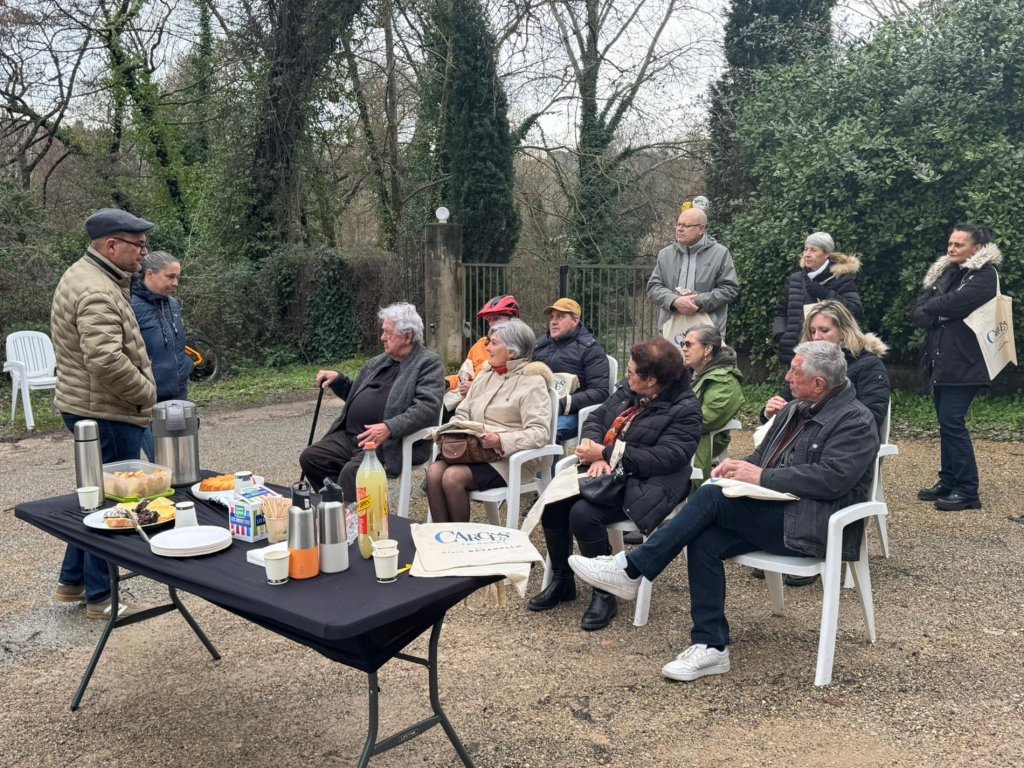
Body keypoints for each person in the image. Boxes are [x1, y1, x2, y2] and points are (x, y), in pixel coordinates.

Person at [568, 342, 878, 682]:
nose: (787, 377)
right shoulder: (794, 409)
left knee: (711, 497)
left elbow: (832, 479)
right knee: (705, 535)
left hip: (816, 527)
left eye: (795, 372)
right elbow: (761, 460)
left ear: (819, 384)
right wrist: (738, 468)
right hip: (778, 513)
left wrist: (760, 477)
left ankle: (633, 569)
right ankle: (711, 645)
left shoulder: (856, 421)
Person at [528, 336, 701, 630]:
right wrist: (595, 451)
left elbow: (667, 458)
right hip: (610, 474)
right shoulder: (629, 390)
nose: (626, 375)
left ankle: (604, 592)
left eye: (632, 372)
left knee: (583, 513)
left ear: (652, 380)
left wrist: (609, 454)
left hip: (650, 485)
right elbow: (596, 418)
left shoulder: (685, 408)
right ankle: (562, 580)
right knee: (554, 504)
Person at [50, 207, 158, 620]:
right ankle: (102, 597)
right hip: (107, 411)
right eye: (138, 245)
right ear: (112, 245)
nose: (144, 254)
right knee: (113, 502)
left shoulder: (86, 274)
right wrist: (145, 394)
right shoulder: (97, 289)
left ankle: (72, 581)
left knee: (94, 493)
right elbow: (106, 360)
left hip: (87, 405)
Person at [299, 303, 444, 501]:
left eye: (388, 333)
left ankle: (354, 515)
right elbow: (357, 394)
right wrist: (339, 380)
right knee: (312, 458)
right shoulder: (378, 362)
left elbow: (427, 407)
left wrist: (389, 427)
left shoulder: (427, 363)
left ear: (407, 336)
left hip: (388, 443)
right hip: (352, 436)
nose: (382, 337)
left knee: (352, 473)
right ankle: (341, 507)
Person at [425, 319, 553, 523]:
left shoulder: (533, 382)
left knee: (452, 477)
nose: (488, 348)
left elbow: (540, 433)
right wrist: (452, 430)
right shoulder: (484, 377)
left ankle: (459, 539)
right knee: (433, 473)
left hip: (510, 460)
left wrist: (500, 441)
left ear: (511, 352)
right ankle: (442, 537)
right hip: (474, 452)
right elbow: (462, 413)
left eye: (494, 343)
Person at [912, 222, 1001, 511]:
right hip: (941, 360)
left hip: (966, 362)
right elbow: (919, 311)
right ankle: (949, 480)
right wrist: (940, 312)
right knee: (946, 424)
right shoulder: (947, 272)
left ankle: (967, 491)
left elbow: (956, 302)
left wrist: (938, 308)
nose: (951, 248)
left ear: (977, 248)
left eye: (958, 244)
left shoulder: (985, 276)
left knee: (952, 422)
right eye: (950, 243)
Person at [762, 300, 890, 434]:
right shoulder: (808, 362)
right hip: (801, 436)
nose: (817, 337)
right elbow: (785, 399)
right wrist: (769, 413)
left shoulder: (869, 365)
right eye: (812, 331)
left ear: (844, 331)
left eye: (824, 330)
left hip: (843, 440)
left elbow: (871, 418)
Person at [131, 250, 194, 461]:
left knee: (183, 462)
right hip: (148, 403)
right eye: (170, 276)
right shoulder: (130, 306)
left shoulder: (173, 304)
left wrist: (186, 366)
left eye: (177, 277)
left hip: (178, 398)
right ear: (150, 274)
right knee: (163, 463)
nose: (175, 283)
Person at [647, 206, 740, 338]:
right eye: (678, 224)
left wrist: (697, 301)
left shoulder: (720, 254)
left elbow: (730, 289)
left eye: (685, 225)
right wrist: (674, 301)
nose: (679, 229)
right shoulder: (665, 254)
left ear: (701, 228)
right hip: (670, 331)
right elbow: (654, 287)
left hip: (707, 333)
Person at [773, 232, 862, 366]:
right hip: (794, 352)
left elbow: (854, 309)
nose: (807, 254)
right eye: (805, 249)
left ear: (826, 254)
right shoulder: (794, 279)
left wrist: (825, 293)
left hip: (827, 356)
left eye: (813, 250)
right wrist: (781, 335)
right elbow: (780, 311)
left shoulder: (841, 278)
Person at [532, 298, 611, 442]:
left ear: (575, 321)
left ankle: (551, 458)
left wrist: (562, 404)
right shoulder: (540, 345)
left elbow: (600, 392)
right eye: (552, 317)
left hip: (572, 410)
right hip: (538, 405)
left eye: (560, 317)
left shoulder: (591, 349)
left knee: (545, 434)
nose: (553, 322)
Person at [681, 324, 744, 491]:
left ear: (707, 349)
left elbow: (706, 419)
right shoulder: (692, 373)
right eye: (683, 344)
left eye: (689, 344)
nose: (684, 349)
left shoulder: (724, 380)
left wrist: (668, 422)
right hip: (684, 431)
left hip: (705, 437)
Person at [443, 295, 520, 415]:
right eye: (489, 320)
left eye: (496, 318)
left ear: (512, 320)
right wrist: (445, 382)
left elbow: (513, 387)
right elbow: (462, 376)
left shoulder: (519, 349)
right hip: (466, 403)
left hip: (492, 408)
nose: (491, 324)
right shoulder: (480, 345)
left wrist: (475, 388)